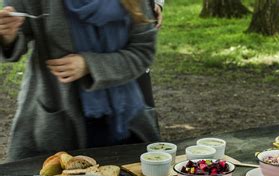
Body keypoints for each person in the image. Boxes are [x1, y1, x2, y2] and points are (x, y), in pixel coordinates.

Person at [0, 0, 160, 161]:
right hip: (56, 119)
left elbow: (143, 51)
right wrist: (7, 36)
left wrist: (90, 65)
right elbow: (14, 43)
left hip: (124, 118)